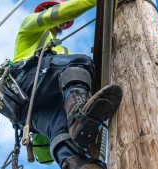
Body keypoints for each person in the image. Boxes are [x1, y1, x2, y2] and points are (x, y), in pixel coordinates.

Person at [10, 0, 123, 168]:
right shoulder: (30, 23)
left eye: (67, 23)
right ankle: (78, 117)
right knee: (80, 62)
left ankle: (78, 164)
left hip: (27, 108)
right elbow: (60, 13)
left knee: (60, 129)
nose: (64, 23)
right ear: (45, 9)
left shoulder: (62, 52)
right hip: (25, 81)